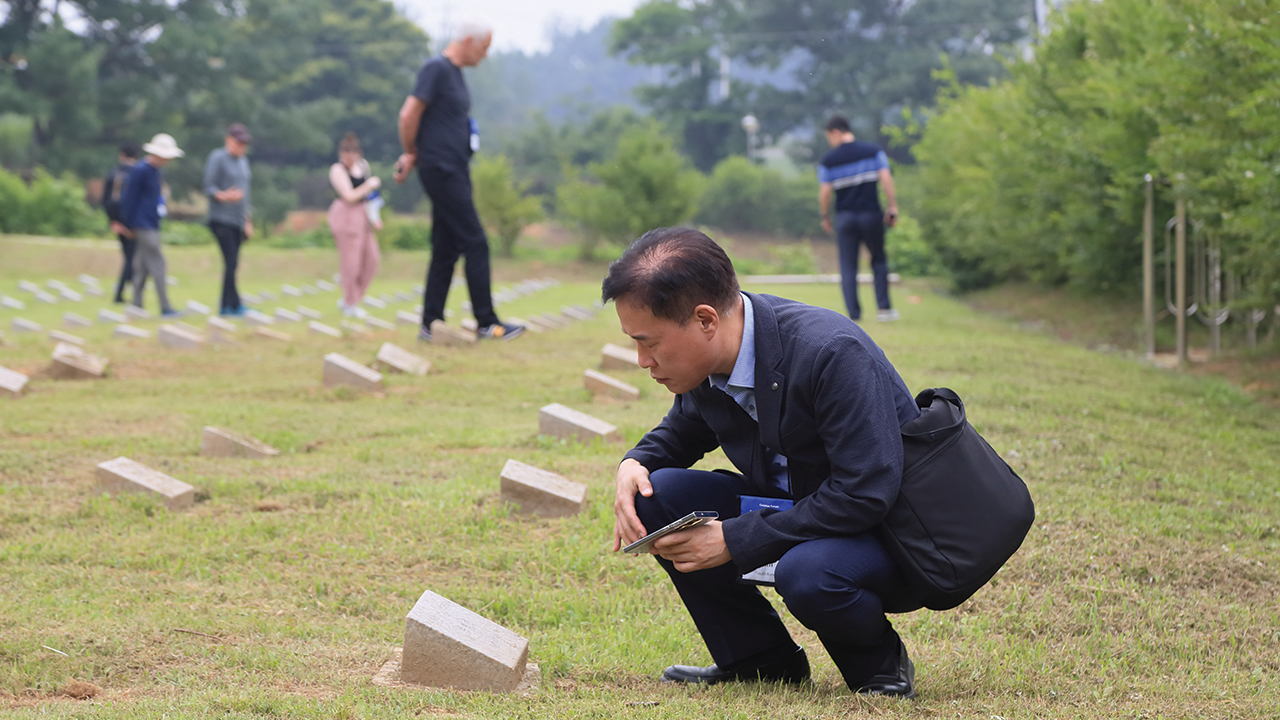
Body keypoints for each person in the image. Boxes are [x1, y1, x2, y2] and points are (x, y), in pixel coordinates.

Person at [606, 227, 922, 697]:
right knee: (660, 495)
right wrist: (634, 463)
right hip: (800, 507)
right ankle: (760, 661)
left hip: (882, 530)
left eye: (649, 342)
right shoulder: (711, 357)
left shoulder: (830, 351)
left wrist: (734, 538)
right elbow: (685, 428)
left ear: (705, 320)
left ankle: (879, 668)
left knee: (808, 572)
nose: (641, 360)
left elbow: (865, 493)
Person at [393, 21, 524, 342]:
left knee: (445, 248)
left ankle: (430, 323)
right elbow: (409, 114)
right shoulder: (436, 68)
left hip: (453, 168)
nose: (485, 55)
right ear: (467, 41)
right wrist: (410, 153)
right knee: (475, 241)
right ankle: (487, 323)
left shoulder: (455, 74)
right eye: (484, 47)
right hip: (442, 169)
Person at [818, 115, 900, 322]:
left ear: (836, 132)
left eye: (829, 137)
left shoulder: (828, 161)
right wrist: (892, 207)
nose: (830, 142)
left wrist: (825, 216)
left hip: (845, 217)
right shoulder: (873, 152)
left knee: (848, 265)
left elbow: (825, 192)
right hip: (871, 214)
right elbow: (886, 179)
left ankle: (853, 314)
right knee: (879, 260)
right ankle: (884, 310)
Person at [113, 133, 184, 318]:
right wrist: (127, 224)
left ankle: (136, 305)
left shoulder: (156, 171)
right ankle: (165, 307)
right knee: (158, 263)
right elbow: (129, 198)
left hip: (152, 222)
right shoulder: (140, 170)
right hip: (142, 224)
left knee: (142, 265)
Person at [328, 132, 383, 317]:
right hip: (346, 216)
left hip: (364, 216)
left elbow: (370, 198)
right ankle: (350, 302)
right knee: (351, 262)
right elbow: (349, 196)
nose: (349, 156)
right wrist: (369, 185)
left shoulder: (363, 166)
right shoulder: (337, 170)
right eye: (345, 152)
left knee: (372, 260)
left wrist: (375, 217)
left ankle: (353, 299)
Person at [204, 123, 254, 317]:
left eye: (244, 143)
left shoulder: (243, 162)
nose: (241, 146)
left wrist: (248, 220)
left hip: (238, 220)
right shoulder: (217, 158)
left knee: (234, 263)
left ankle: (234, 304)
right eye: (238, 142)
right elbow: (208, 186)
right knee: (231, 262)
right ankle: (227, 306)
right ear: (228, 140)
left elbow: (246, 195)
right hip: (221, 219)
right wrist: (224, 196)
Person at [102, 142, 140, 304]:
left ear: (121, 155)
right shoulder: (137, 173)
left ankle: (126, 290)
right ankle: (120, 294)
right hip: (132, 222)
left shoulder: (113, 173)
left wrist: (113, 222)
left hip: (117, 220)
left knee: (128, 256)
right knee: (131, 258)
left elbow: (106, 200)